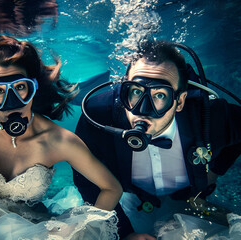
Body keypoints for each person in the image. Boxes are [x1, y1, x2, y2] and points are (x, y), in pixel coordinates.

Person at [0, 35, 122, 239]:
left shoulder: (59, 140)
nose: (12, 102)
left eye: (20, 87)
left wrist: (83, 230)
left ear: (33, 87)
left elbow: (112, 188)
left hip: (28, 230)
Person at [73, 40, 241, 239]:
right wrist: (125, 233)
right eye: (136, 91)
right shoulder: (98, 116)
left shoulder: (211, 116)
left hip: (190, 197)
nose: (143, 111)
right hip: (132, 200)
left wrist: (215, 170)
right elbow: (86, 179)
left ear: (180, 102)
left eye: (160, 95)